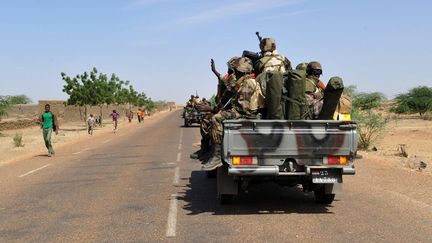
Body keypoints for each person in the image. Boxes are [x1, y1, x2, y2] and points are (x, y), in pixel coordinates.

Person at [202, 57, 264, 171]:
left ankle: (217, 157)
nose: (234, 73)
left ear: (241, 72)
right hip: (247, 112)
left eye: (236, 71)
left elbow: (242, 108)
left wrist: (220, 111)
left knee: (216, 118)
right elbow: (230, 85)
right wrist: (217, 73)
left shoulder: (248, 83)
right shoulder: (245, 81)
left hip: (247, 114)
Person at [255, 38, 292, 119]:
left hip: (266, 98)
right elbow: (290, 74)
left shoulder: (260, 62)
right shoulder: (284, 59)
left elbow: (256, 79)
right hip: (284, 94)